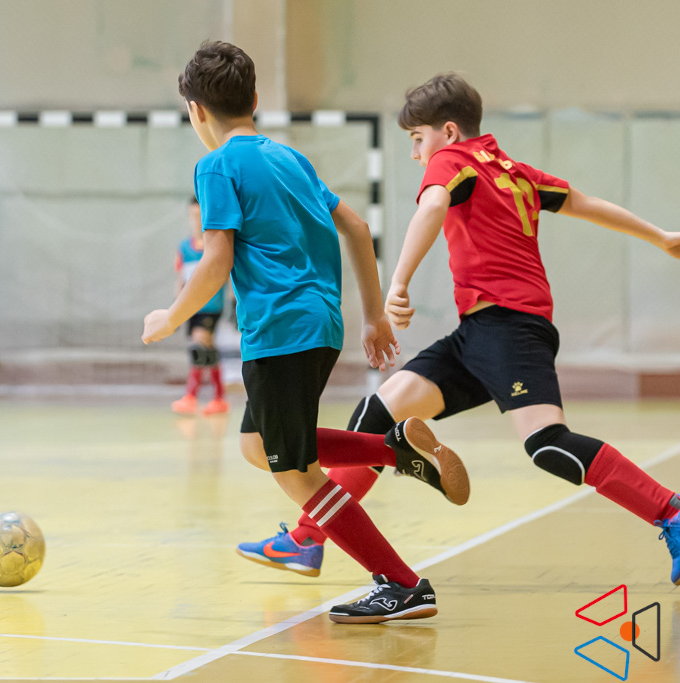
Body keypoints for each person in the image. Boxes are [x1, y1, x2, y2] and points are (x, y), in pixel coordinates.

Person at [238, 73, 680, 588]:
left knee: (548, 444)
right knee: (378, 413)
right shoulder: (514, 171)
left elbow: (433, 205)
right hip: (479, 332)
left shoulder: (453, 159)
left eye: (417, 139)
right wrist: (659, 236)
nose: (416, 154)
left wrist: (398, 282)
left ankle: (672, 508)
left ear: (447, 131)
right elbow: (585, 203)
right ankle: (309, 537)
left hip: (511, 329)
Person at [142, 42, 470, 624]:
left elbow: (216, 260)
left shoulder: (215, 166)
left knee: (295, 472)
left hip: (280, 329)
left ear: (195, 110)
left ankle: (402, 583)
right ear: (255, 100)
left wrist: (170, 317)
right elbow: (357, 226)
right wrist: (373, 316)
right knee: (258, 445)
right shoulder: (290, 158)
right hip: (321, 323)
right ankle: (393, 449)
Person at [172, 196, 230, 416]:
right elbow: (180, 279)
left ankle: (191, 396)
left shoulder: (214, 246)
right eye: (193, 215)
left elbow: (226, 275)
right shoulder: (183, 248)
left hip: (211, 306)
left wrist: (234, 301)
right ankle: (219, 397)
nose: (196, 220)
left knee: (198, 345)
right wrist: (175, 311)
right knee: (208, 349)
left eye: (200, 216)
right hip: (191, 307)